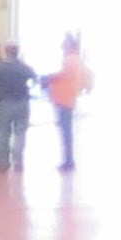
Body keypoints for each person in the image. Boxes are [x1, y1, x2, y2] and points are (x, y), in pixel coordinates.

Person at [0, 42, 38, 170]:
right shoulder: (23, 66)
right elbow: (34, 78)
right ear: (18, 51)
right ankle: (18, 161)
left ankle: (3, 162)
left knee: (3, 133)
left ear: (6, 51)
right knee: (20, 133)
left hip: (4, 103)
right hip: (23, 102)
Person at [45, 35, 93, 171]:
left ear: (70, 45)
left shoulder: (71, 60)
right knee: (66, 131)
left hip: (63, 100)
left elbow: (62, 75)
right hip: (68, 99)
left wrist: (49, 78)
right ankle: (68, 159)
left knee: (65, 131)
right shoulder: (76, 60)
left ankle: (68, 160)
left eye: (64, 45)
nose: (62, 48)